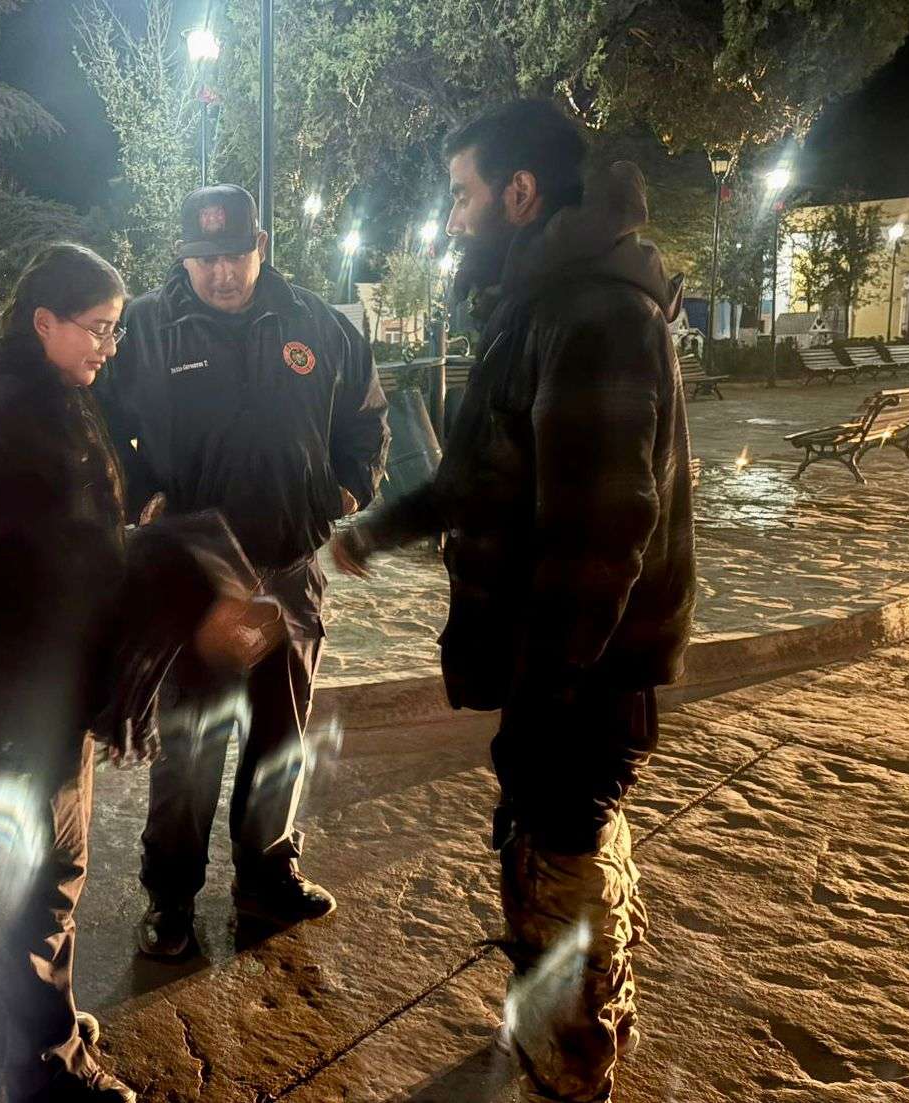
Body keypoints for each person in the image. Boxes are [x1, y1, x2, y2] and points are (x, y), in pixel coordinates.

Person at [331, 100, 696, 1103]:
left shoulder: (591, 315)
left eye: (462, 195)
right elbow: (481, 471)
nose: (452, 218)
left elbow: (602, 532)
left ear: (519, 193)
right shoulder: (541, 305)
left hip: (579, 671)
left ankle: (569, 1067)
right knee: (568, 840)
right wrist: (376, 529)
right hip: (559, 663)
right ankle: (573, 1031)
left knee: (558, 859)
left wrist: (546, 687)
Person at [0, 243, 266, 1103]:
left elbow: (71, 538)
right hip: (20, 682)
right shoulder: (20, 413)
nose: (109, 346)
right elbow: (62, 558)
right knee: (47, 874)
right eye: (99, 328)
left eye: (116, 330)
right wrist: (176, 558)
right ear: (44, 321)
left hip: (10, 670)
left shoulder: (34, 394)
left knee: (26, 865)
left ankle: (11, 1024)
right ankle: (46, 1064)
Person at [95, 185, 389, 958]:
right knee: (190, 744)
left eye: (234, 254)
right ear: (184, 256)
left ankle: (267, 876)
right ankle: (171, 897)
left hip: (289, 567)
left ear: (261, 245)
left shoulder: (318, 324)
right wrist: (136, 495)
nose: (222, 272)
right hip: (194, 580)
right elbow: (100, 426)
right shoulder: (145, 329)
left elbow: (365, 418)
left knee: (280, 731)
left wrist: (348, 488)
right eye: (206, 259)